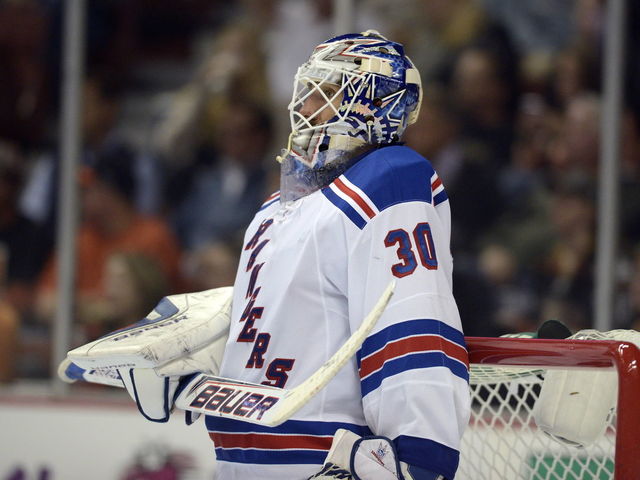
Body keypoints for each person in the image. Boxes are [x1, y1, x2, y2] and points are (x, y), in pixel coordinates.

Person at [71, 31, 470, 480]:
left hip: (323, 462)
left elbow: (411, 316)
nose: (306, 108)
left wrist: (420, 451)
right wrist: (193, 366)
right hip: (238, 461)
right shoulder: (275, 207)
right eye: (307, 92)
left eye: (330, 93)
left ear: (379, 107)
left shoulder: (389, 179)